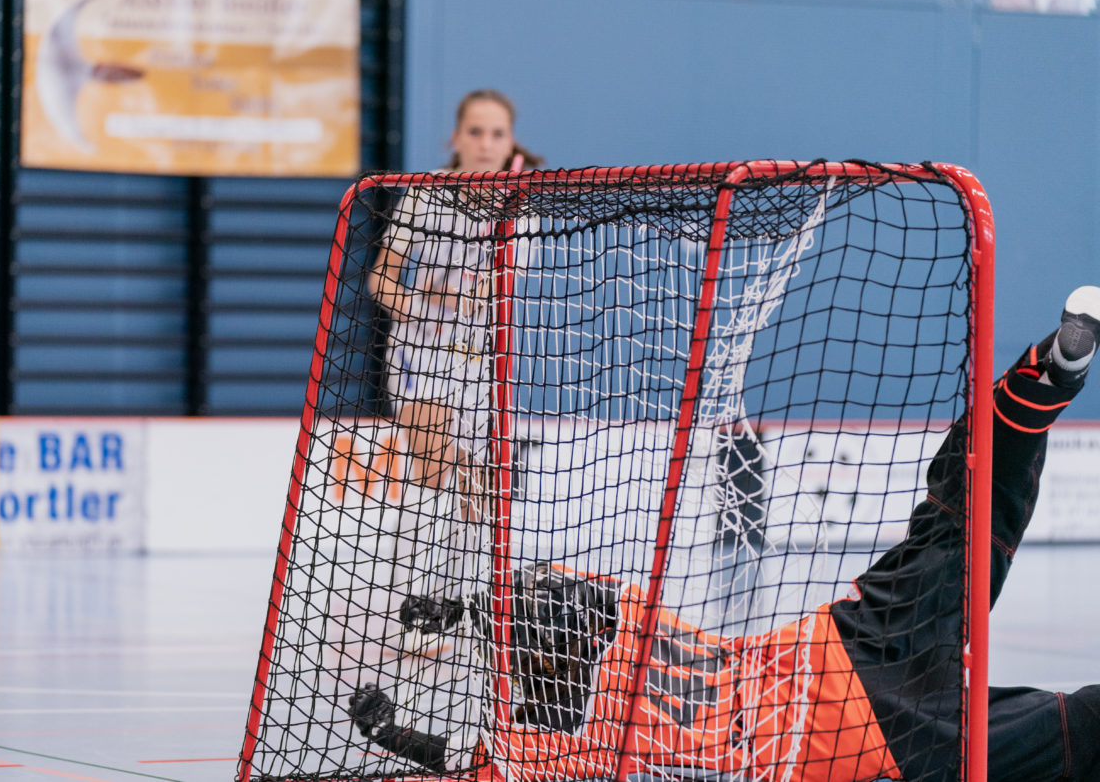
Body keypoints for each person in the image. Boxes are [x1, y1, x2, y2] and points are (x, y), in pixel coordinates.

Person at [348, 287, 1100, 782]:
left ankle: (1055, 369)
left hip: (858, 735)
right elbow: (544, 605)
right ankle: (1055, 368)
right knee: (960, 518)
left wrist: (393, 727)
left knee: (1062, 732)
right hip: (852, 646)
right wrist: (457, 611)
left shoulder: (582, 745)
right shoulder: (628, 633)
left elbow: (465, 757)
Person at [366, 90, 543, 606]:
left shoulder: (520, 210)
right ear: (455, 138)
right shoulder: (423, 196)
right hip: (417, 353)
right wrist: (426, 300)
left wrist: (461, 295)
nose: (485, 144)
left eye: (496, 134)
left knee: (477, 490)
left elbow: (497, 292)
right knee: (432, 469)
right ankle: (421, 596)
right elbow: (383, 281)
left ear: (510, 142)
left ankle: (461, 598)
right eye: (475, 131)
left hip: (476, 359)